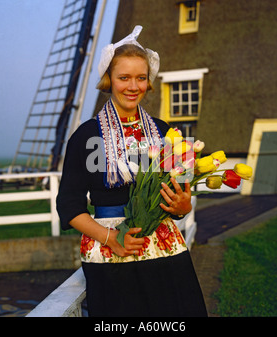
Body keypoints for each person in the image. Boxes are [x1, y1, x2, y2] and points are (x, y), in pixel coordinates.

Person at [57, 26, 207, 317]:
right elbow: (68, 205)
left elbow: (180, 198)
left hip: (165, 250)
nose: (133, 86)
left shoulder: (165, 132)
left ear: (148, 81)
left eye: (141, 78)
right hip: (111, 251)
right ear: (108, 80)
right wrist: (111, 238)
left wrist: (183, 206)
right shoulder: (86, 138)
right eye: (123, 77)